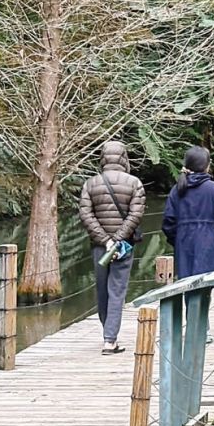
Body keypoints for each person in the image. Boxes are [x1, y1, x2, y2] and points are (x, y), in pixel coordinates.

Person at [78, 139, 146, 354]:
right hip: (123, 246)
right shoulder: (134, 183)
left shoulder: (90, 184)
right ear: (124, 158)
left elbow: (86, 214)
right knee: (117, 290)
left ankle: (108, 333)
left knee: (102, 290)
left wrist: (105, 240)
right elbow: (135, 214)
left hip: (100, 246)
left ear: (103, 158)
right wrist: (117, 239)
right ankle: (110, 340)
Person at [161, 145, 214, 279]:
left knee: (187, 285)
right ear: (207, 165)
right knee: (206, 289)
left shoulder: (176, 190)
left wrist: (179, 239)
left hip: (184, 247)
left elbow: (168, 223)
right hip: (211, 246)